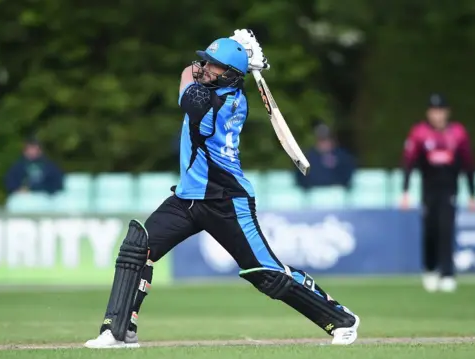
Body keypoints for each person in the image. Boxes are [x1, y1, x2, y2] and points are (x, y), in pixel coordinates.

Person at [84, 30, 360, 349]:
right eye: (205, 61)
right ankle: (117, 331)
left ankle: (342, 319)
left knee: (266, 273)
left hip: (226, 200)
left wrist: (239, 52)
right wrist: (237, 52)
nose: (202, 68)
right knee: (137, 246)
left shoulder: (210, 102)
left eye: (213, 65)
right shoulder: (221, 90)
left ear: (230, 75)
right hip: (187, 198)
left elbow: (185, 77)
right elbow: (195, 72)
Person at [401, 93, 475, 293]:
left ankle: (448, 274)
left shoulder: (458, 133)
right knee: (431, 231)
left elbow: (468, 164)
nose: (438, 116)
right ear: (428, 113)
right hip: (428, 192)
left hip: (450, 190)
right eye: (434, 111)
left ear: (447, 112)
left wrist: (472, 194)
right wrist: (405, 191)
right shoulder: (419, 133)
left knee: (446, 230)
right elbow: (409, 163)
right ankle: (430, 269)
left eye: (441, 111)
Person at [295, 124, 356, 190]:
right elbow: (300, 178)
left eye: (326, 139)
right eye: (321, 140)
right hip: (314, 194)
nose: (324, 143)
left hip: (337, 193)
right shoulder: (307, 157)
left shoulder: (342, 156)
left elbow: (347, 176)